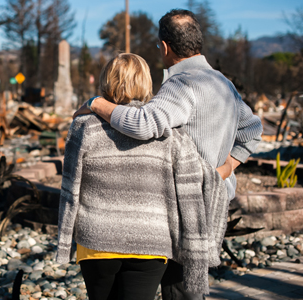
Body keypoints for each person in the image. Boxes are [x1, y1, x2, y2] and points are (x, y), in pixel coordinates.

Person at [74, 9, 263, 299]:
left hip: (184, 206)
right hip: (214, 202)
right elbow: (252, 130)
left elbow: (143, 123)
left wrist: (96, 103)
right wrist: (223, 171)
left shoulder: (181, 85)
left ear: (164, 46)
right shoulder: (222, 83)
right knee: (189, 288)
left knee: (179, 290)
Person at [57, 53, 230, 300]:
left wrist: (64, 241)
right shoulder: (170, 134)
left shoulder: (83, 127)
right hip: (151, 242)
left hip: (97, 240)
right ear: (147, 83)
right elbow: (192, 184)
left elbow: (69, 188)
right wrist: (228, 167)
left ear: (106, 82)